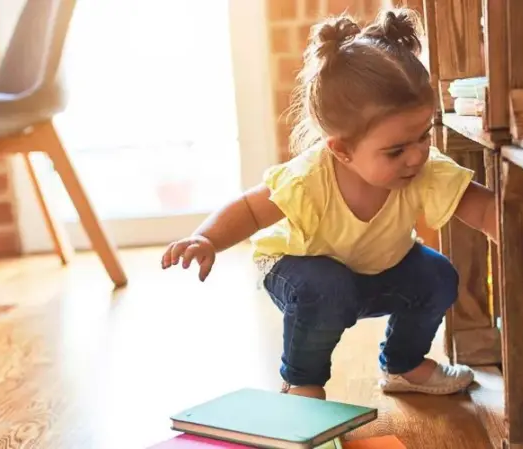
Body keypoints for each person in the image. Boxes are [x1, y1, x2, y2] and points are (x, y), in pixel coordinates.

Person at [160, 7, 497, 401]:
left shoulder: (425, 169)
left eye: (424, 136)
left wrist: (509, 230)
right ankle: (302, 381)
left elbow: (479, 205)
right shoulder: (310, 178)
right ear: (341, 150)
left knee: (437, 275)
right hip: (299, 272)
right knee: (327, 287)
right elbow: (250, 209)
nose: (416, 156)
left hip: (374, 272)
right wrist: (206, 240)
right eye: (396, 150)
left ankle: (404, 365)